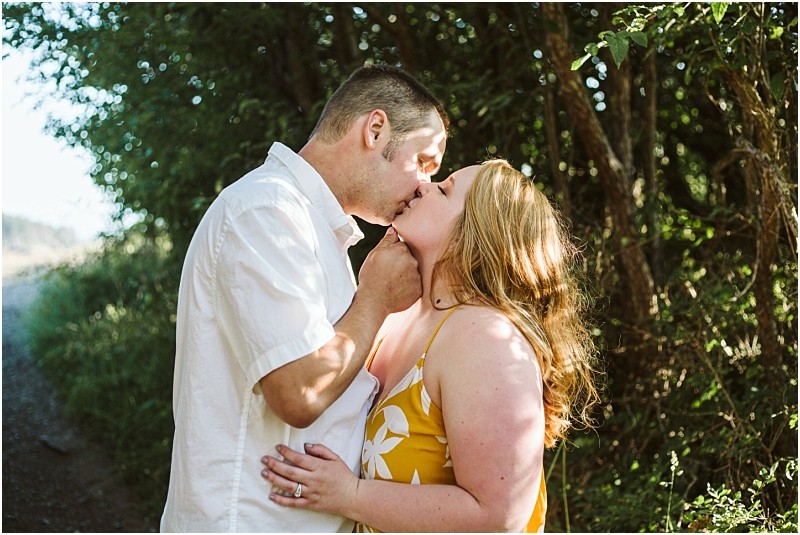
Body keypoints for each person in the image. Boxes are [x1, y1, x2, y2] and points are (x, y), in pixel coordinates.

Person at [160, 64, 449, 532]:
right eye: (424, 161)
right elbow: (300, 392)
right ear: (375, 129)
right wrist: (376, 298)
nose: (424, 186)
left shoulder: (313, 228)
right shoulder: (266, 211)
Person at [260, 159, 600, 532]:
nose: (424, 185)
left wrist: (350, 496)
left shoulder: (486, 338)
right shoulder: (397, 316)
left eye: (445, 190)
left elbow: (498, 517)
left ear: (476, 232)